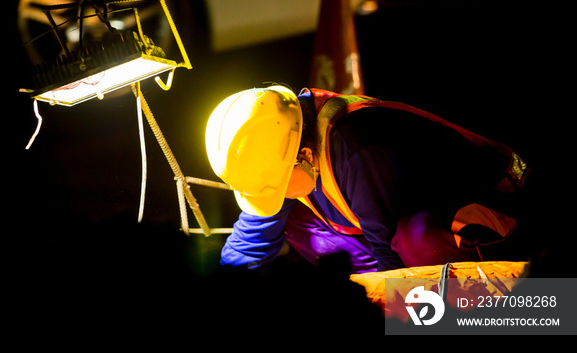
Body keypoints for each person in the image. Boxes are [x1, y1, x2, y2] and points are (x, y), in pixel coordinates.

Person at [205, 85, 529, 273]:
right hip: (393, 220)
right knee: (294, 221)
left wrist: (389, 316)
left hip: (486, 210)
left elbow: (387, 248)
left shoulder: (355, 148)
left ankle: (465, 316)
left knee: (417, 240)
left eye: (278, 187)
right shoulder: (283, 135)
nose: (280, 194)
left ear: (302, 156)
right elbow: (252, 237)